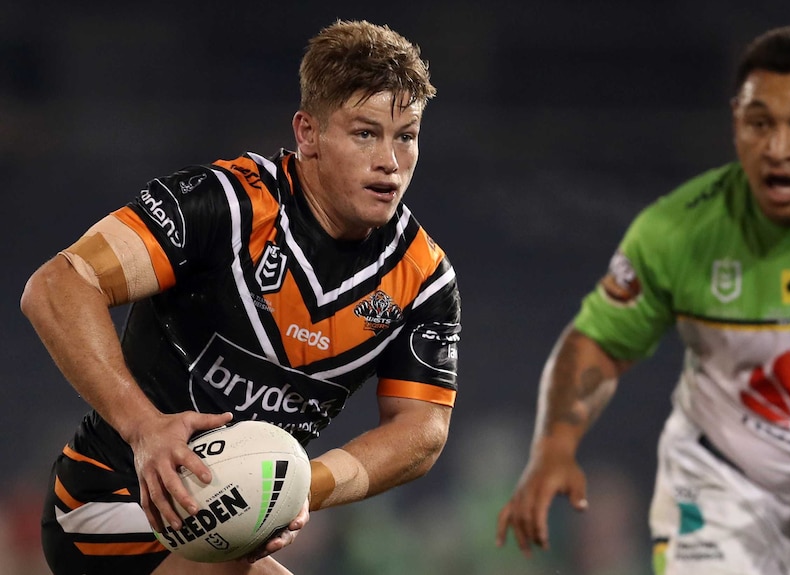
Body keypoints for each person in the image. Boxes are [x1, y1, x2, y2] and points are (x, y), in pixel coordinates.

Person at [21, 19, 461, 575]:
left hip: (223, 523)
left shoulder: (422, 278)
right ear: (307, 133)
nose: (390, 162)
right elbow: (59, 284)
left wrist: (301, 489)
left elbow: (420, 431)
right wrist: (144, 428)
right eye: (365, 133)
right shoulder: (226, 205)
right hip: (109, 509)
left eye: (407, 135)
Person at [496, 24, 790, 574]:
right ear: (736, 121)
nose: (778, 147)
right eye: (759, 123)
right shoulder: (680, 229)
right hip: (719, 495)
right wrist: (555, 445)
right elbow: (598, 343)